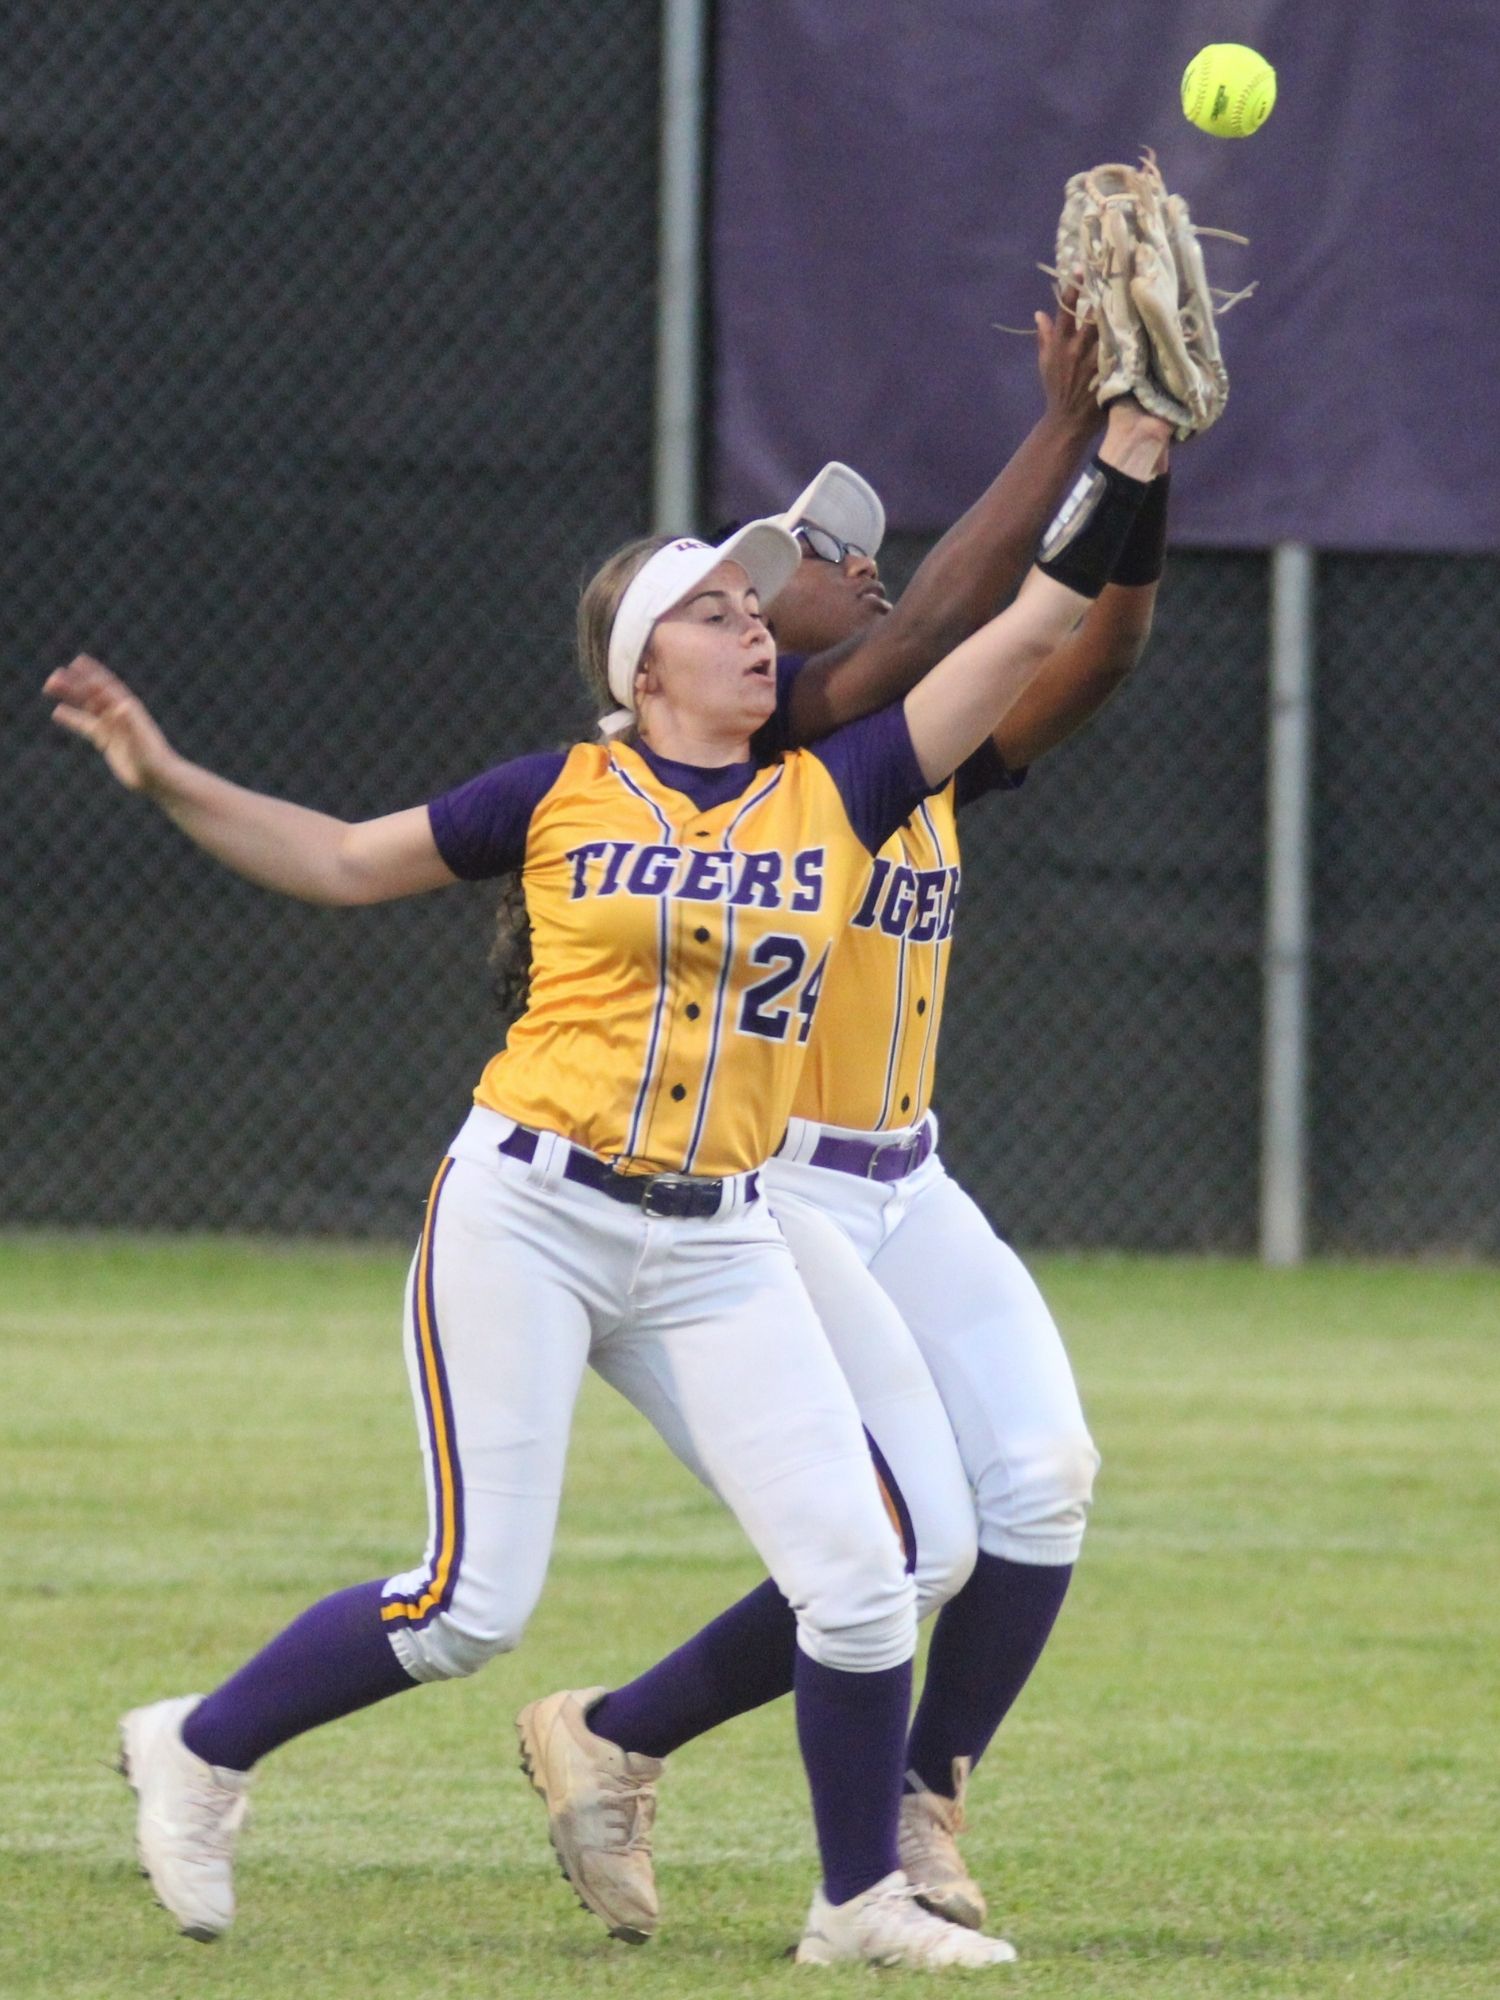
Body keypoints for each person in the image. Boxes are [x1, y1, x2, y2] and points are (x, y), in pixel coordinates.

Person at [44, 392, 1166, 1969]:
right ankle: (201, 1747)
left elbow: (1040, 618)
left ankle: (857, 1904)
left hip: (719, 1242)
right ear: (646, 668)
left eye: (749, 608)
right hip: (534, 1210)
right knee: (466, 1607)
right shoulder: (560, 793)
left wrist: (1124, 461)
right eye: (712, 612)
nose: (750, 628)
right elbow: (341, 860)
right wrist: (164, 775)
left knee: (863, 1580)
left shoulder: (837, 791)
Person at [515, 376, 1172, 1940]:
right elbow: (944, 615)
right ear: (695, 637)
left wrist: (1150, 462)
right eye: (796, 560)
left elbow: (1103, 643)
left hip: (907, 1177)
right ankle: (723, 1782)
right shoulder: (770, 757)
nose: (852, 565)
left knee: (1042, 1481)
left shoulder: (908, 752)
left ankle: (876, 1788)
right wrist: (1083, 427)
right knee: (898, 1539)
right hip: (772, 1187)